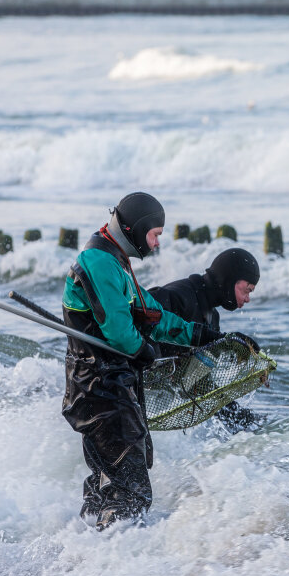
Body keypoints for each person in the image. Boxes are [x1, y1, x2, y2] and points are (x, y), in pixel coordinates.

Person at [62, 192, 224, 530]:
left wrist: (200, 335)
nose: (156, 243)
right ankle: (113, 570)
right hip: (100, 392)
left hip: (105, 391)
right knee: (132, 492)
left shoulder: (115, 260)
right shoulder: (98, 261)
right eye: (155, 235)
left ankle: (82, 559)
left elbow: (153, 314)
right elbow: (120, 332)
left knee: (108, 485)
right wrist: (143, 351)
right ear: (136, 228)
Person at [148, 248, 263, 431]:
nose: (248, 299)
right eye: (247, 290)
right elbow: (140, 321)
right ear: (229, 280)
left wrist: (235, 414)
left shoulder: (212, 318)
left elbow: (199, 381)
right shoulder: (177, 295)